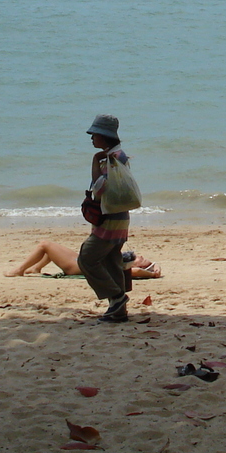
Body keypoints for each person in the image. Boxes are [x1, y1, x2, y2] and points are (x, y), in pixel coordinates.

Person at [78, 114, 133, 323]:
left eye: (94, 134)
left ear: (103, 136)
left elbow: (100, 188)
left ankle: (117, 298)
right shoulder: (118, 155)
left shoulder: (111, 159)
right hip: (120, 219)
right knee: (112, 262)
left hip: (109, 220)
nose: (92, 138)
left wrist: (95, 162)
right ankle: (118, 311)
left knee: (86, 258)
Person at [5, 240, 162, 279]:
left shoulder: (125, 267)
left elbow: (136, 272)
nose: (140, 256)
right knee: (54, 248)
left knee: (45, 245)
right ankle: (36, 268)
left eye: (142, 259)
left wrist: (152, 273)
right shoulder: (120, 262)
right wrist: (155, 266)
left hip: (75, 266)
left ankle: (19, 270)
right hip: (81, 261)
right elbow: (148, 268)